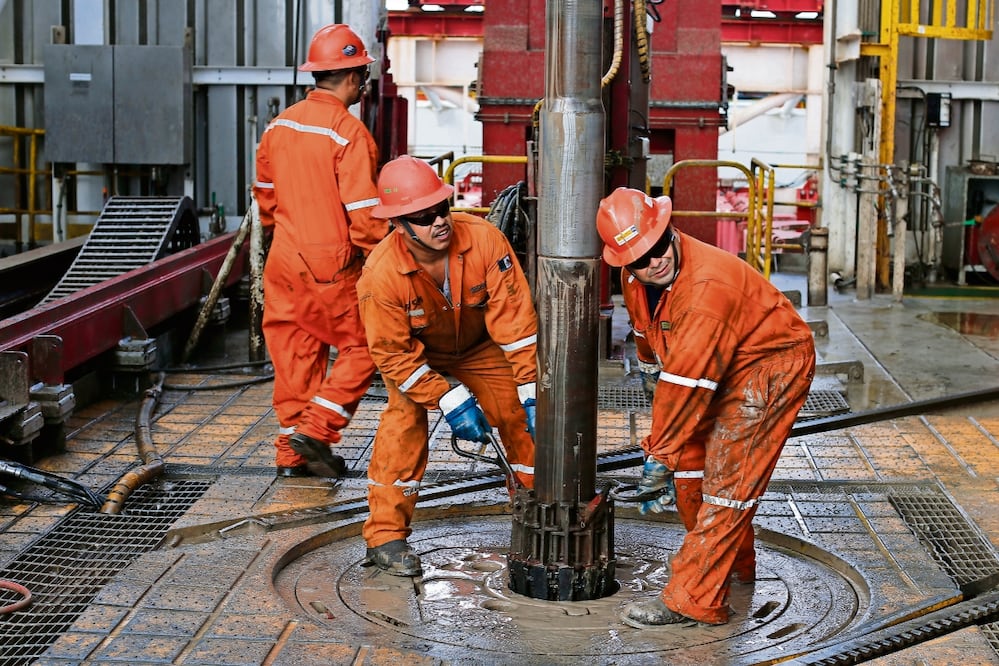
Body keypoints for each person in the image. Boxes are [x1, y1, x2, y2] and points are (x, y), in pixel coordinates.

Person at [596, 187, 816, 628]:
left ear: (668, 229)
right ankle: (735, 566)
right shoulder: (636, 274)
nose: (654, 260)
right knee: (692, 471)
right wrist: (647, 370)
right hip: (717, 364)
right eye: (640, 258)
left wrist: (658, 454)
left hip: (767, 366)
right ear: (624, 263)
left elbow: (687, 386)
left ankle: (693, 600)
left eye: (658, 246)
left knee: (727, 486)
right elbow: (648, 332)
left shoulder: (706, 289)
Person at [356, 155, 538, 576]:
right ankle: (386, 537)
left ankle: (533, 508)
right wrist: (449, 399)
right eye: (423, 217)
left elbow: (515, 321)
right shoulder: (380, 276)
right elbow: (392, 355)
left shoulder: (485, 239)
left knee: (520, 413)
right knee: (403, 423)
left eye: (442, 208)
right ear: (398, 224)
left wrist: (529, 385)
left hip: (478, 344)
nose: (439, 221)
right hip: (416, 356)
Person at [253, 24, 388, 478]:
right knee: (367, 344)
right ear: (353, 77)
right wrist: (387, 262)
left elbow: (265, 197)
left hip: (284, 259)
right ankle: (317, 428)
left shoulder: (279, 126)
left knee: (295, 353)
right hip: (330, 264)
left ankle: (292, 455)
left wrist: (285, 233)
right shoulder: (348, 133)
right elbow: (366, 217)